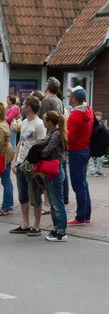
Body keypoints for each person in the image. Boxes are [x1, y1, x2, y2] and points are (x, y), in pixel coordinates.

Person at [10, 95, 46, 235]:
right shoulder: (24, 122)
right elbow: (20, 142)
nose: (22, 106)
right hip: (21, 164)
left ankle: (36, 225)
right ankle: (25, 223)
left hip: (32, 166)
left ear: (29, 107)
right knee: (22, 195)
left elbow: (41, 145)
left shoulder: (39, 124)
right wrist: (15, 160)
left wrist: (36, 164)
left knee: (35, 195)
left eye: (24, 104)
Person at [66, 85, 94, 226]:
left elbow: (70, 138)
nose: (69, 97)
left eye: (70, 96)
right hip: (86, 149)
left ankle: (80, 217)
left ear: (75, 98)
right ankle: (86, 214)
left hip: (76, 151)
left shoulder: (74, 116)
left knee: (78, 185)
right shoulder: (88, 110)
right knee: (83, 183)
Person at [42, 110, 69, 242]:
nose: (43, 121)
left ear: (50, 122)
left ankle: (62, 231)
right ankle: (56, 227)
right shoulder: (52, 133)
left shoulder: (57, 134)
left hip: (55, 170)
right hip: (51, 170)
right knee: (53, 203)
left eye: (45, 119)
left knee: (57, 202)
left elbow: (47, 150)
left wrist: (37, 151)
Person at [88, 111, 105, 176]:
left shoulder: (102, 124)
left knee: (101, 158)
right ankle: (92, 171)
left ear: (101, 117)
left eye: (99, 116)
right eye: (96, 116)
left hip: (100, 143)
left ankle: (98, 170)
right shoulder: (92, 124)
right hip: (93, 143)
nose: (97, 117)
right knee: (91, 158)